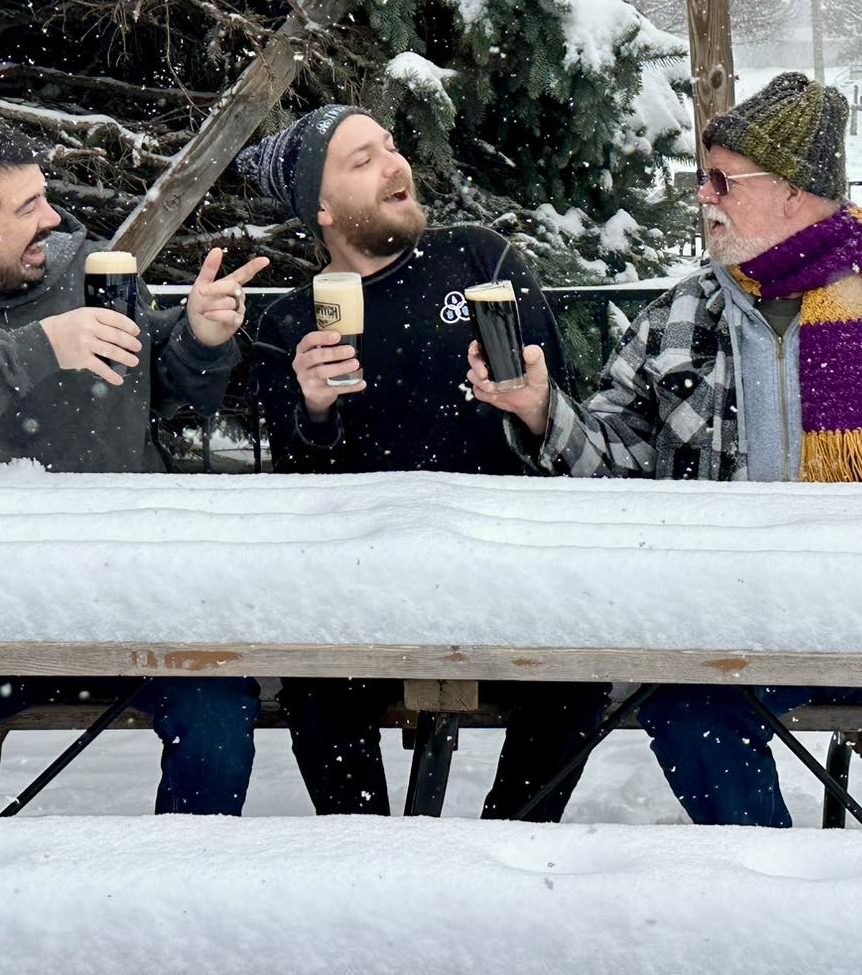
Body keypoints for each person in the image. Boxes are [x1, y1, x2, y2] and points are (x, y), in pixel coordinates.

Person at [470, 72, 862, 836]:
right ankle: (783, 900)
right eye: (701, 178)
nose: (703, 197)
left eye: (722, 180)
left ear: (794, 192)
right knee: (685, 714)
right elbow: (615, 471)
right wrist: (542, 412)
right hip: (741, 625)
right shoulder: (680, 315)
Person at [0, 116, 269, 816]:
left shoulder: (88, 272)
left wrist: (201, 342)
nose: (54, 218)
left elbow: (169, 387)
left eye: (45, 196)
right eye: (27, 207)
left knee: (219, 713)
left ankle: (182, 894)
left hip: (133, 593)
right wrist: (36, 348)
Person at [239, 104, 610, 821]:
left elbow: (570, 443)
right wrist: (313, 411)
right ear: (321, 207)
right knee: (313, 680)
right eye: (362, 160)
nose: (394, 164)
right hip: (360, 592)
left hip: (504, 574)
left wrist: (531, 406)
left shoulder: (480, 261)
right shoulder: (292, 324)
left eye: (390, 146)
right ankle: (373, 862)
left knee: (583, 674)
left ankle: (511, 843)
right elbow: (293, 501)